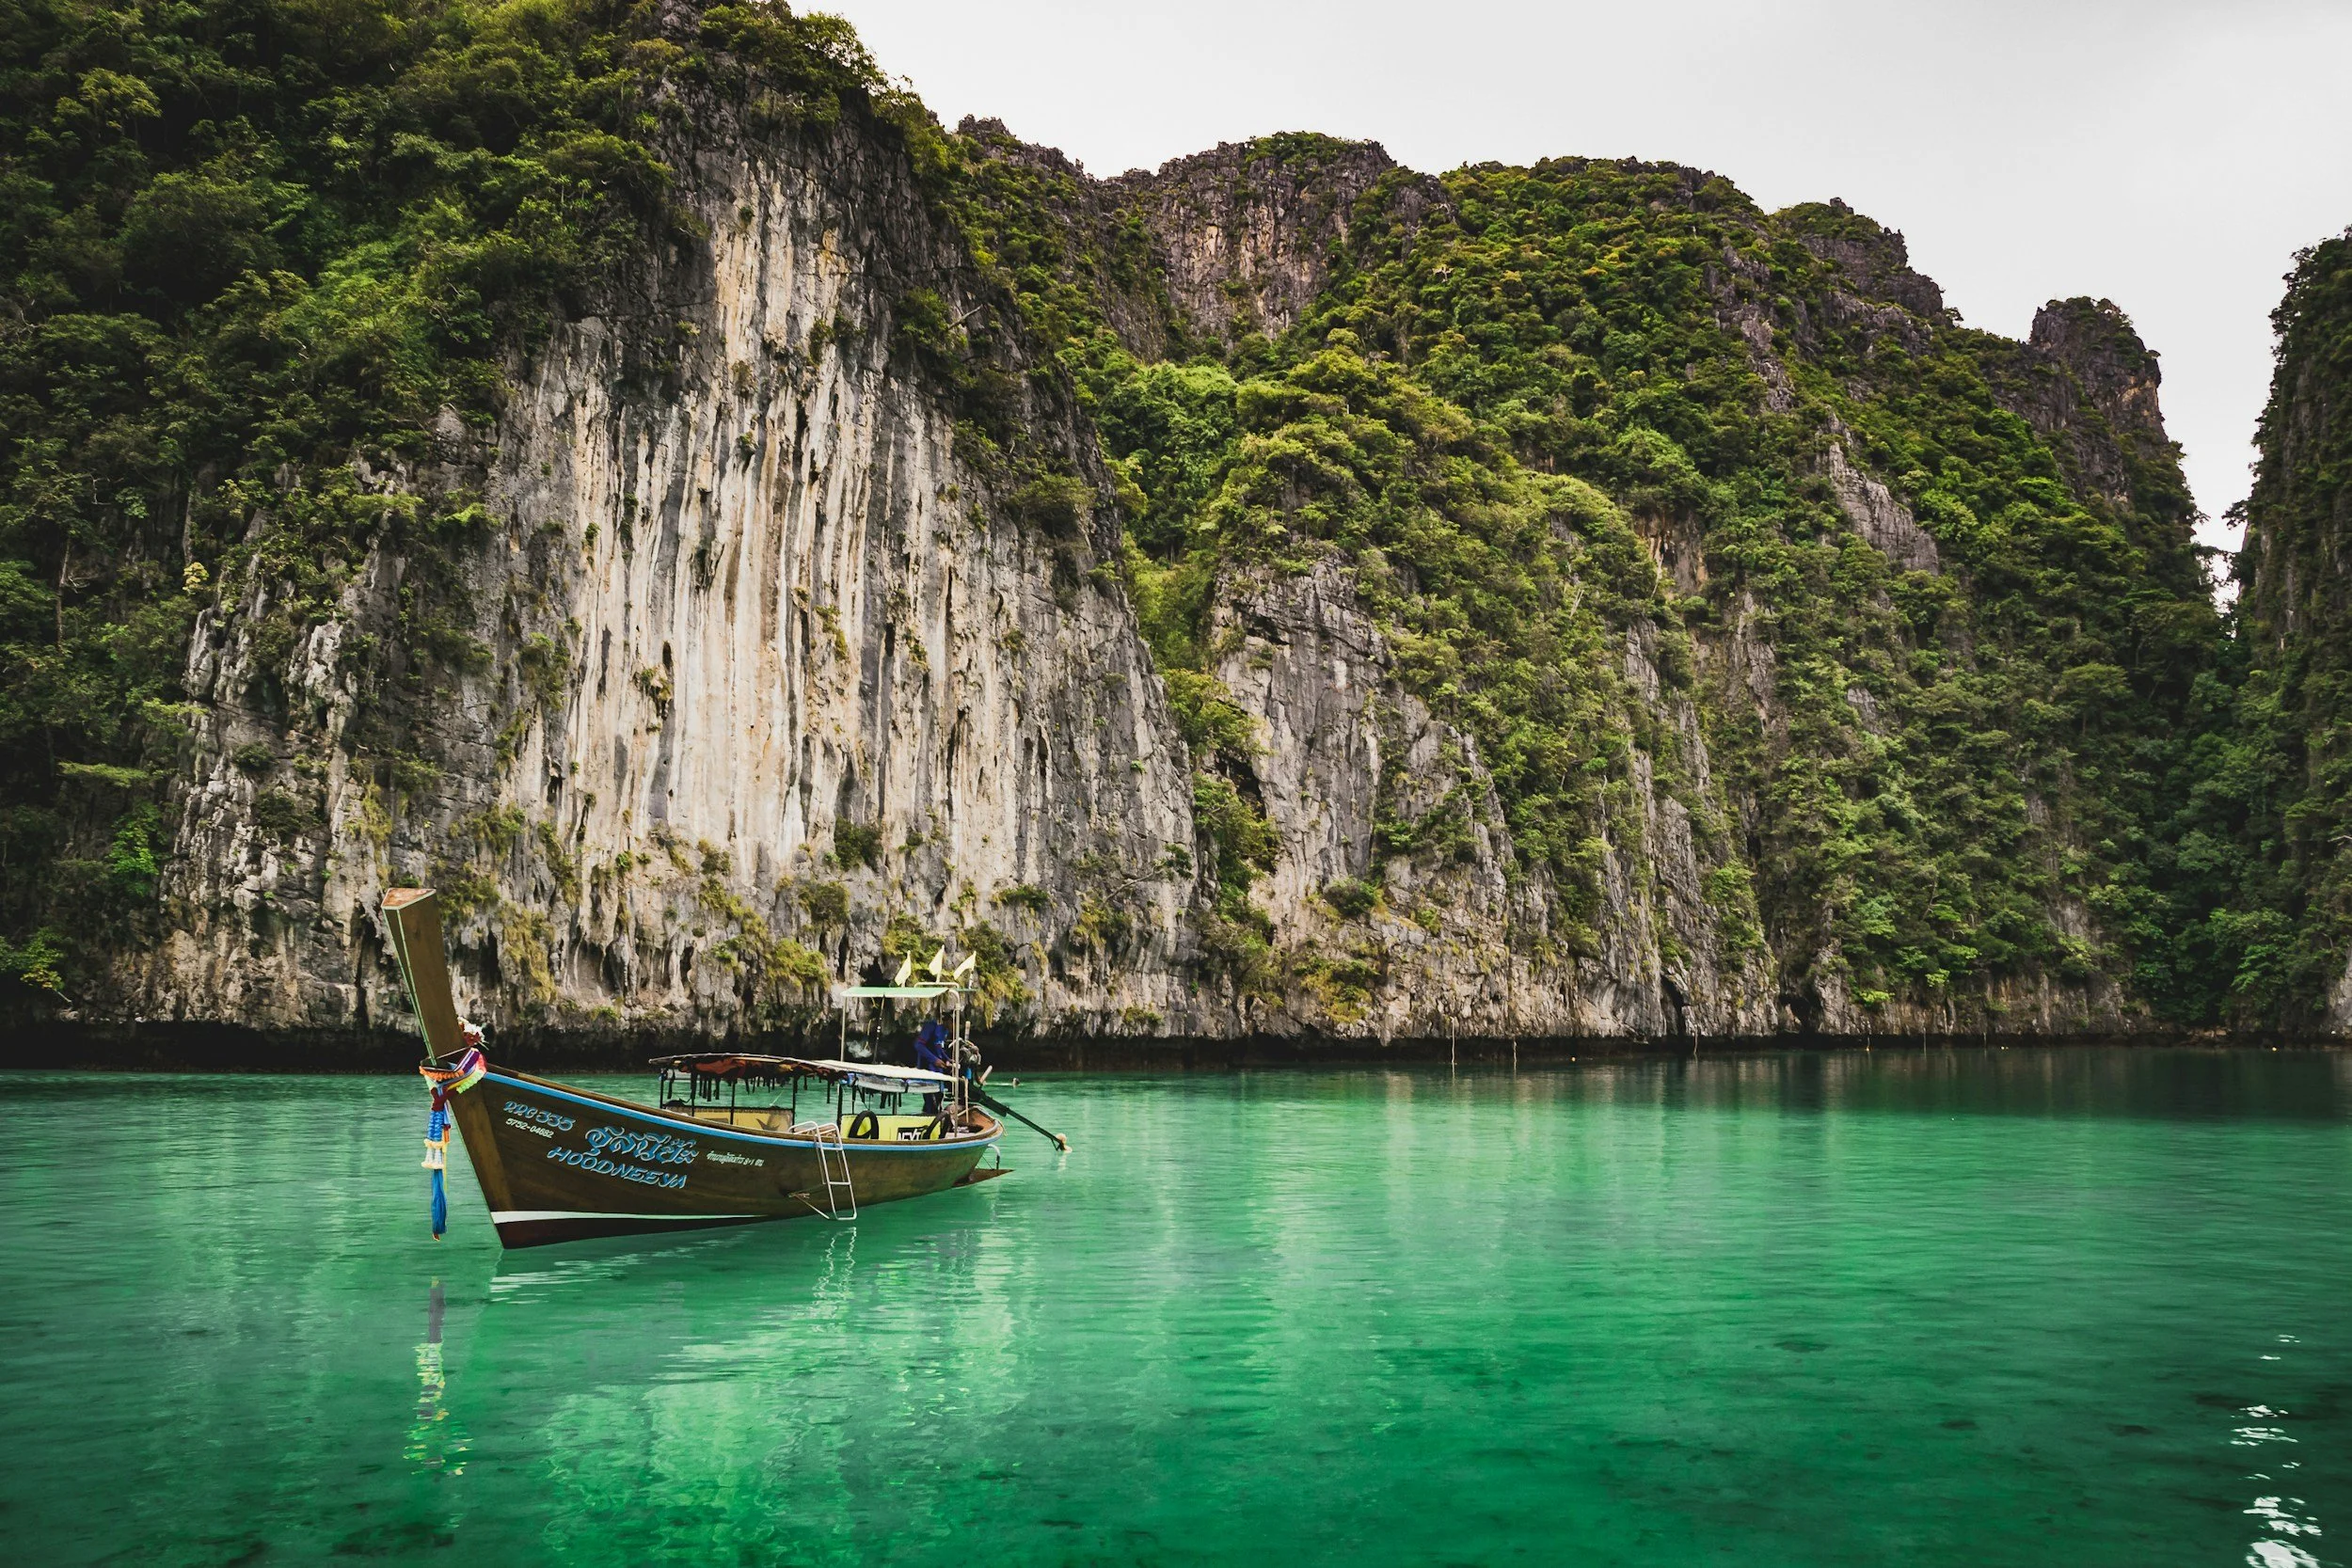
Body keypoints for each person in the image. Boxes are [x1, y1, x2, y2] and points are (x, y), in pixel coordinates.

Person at [913, 1021, 949, 1115]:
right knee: (930, 1098)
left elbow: (938, 1047)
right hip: (927, 1068)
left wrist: (948, 1059)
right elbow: (918, 1045)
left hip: (938, 1071)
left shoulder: (945, 1031)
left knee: (939, 1097)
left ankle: (932, 1116)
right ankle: (929, 1117)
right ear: (949, 1020)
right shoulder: (931, 1026)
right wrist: (934, 1060)